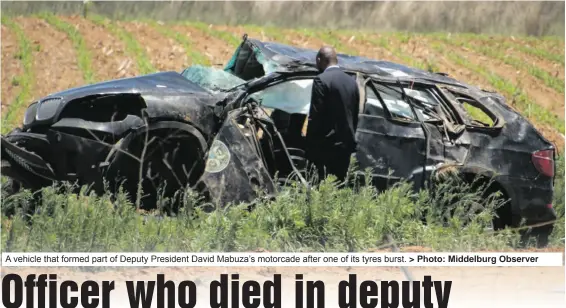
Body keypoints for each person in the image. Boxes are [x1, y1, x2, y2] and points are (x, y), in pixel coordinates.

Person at [305, 46, 360, 183]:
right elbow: (354, 115)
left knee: (321, 187)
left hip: (325, 147)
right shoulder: (352, 82)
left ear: (319, 59)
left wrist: (309, 146)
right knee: (338, 186)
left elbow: (315, 116)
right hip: (345, 146)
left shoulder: (321, 80)